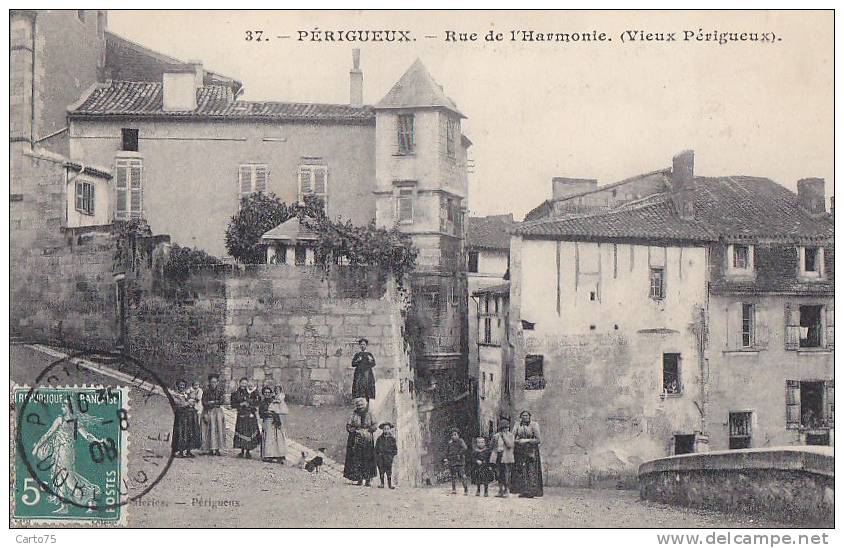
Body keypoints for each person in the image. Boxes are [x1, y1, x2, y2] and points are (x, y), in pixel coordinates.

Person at [343, 397, 378, 486]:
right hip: (356, 439)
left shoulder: (370, 414)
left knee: (368, 459)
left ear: (365, 405)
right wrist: (355, 431)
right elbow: (348, 426)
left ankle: (368, 479)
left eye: (362, 405)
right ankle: (359, 478)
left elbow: (375, 425)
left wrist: (368, 430)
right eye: (358, 406)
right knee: (357, 459)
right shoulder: (354, 414)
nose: (360, 407)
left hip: (367, 439)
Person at [512, 411, 544, 498]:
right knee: (522, 470)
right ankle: (523, 491)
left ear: (529, 417)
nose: (525, 417)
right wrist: (518, 441)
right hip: (520, 450)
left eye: (526, 416)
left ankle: (533, 491)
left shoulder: (534, 425)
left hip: (531, 450)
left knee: (531, 470)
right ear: (520, 417)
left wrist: (526, 440)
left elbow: (538, 440)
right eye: (523, 416)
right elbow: (512, 437)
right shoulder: (517, 425)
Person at [231, 377, 261, 458]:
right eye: (242, 383)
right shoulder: (236, 393)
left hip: (250, 414)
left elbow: (257, 401)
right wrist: (240, 404)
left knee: (249, 432)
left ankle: (248, 451)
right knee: (241, 431)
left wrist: (250, 405)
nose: (244, 385)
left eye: (245, 383)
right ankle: (242, 450)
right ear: (239, 383)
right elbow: (232, 404)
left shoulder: (252, 392)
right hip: (241, 414)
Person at [172, 379, 201, 458]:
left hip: (188, 417)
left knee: (189, 433)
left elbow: (193, 401)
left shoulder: (186, 394)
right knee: (181, 433)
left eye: (183, 385)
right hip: (180, 418)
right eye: (180, 385)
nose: (182, 386)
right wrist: (188, 403)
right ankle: (180, 451)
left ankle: (188, 451)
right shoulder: (175, 395)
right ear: (177, 386)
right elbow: (178, 405)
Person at [259, 386, 288, 463]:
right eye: (265, 393)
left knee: (277, 438)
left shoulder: (274, 401)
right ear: (263, 394)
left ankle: (278, 454)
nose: (267, 394)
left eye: (268, 393)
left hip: (275, 421)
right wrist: (267, 413)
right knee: (268, 438)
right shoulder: (262, 403)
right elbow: (261, 414)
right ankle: (268, 455)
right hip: (267, 421)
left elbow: (279, 409)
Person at [201, 374, 226, 456]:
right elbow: (204, 402)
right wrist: (212, 403)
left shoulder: (220, 391)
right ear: (209, 382)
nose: (213, 384)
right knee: (210, 430)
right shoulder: (206, 391)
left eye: (215, 382)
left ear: (217, 382)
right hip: (209, 411)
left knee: (218, 430)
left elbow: (221, 401)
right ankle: (210, 448)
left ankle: (217, 448)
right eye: (212, 382)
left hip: (218, 412)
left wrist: (212, 402)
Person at [490, 417, 515, 498]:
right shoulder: (496, 436)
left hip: (507, 457)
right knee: (499, 474)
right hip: (498, 456)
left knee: (506, 474)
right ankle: (500, 490)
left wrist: (504, 436)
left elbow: (510, 445)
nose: (505, 429)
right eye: (503, 428)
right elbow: (492, 445)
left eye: (506, 427)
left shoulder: (511, 435)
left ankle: (507, 490)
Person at [351, 338, 376, 402]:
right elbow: (353, 364)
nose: (362, 346)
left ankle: (368, 399)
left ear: (366, 345)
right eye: (361, 344)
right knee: (358, 385)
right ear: (359, 346)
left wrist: (370, 360)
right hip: (359, 373)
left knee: (368, 385)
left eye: (364, 344)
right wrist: (357, 360)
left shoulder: (369, 354)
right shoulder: (357, 354)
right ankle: (358, 399)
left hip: (367, 373)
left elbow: (373, 364)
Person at [445, 428, 469, 495]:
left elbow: (465, 448)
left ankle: (466, 489)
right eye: (452, 435)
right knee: (453, 476)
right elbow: (447, 451)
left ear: (458, 435)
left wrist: (459, 453)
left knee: (462, 475)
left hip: (459, 462)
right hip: (452, 461)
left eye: (455, 435)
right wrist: (447, 458)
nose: (453, 436)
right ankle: (454, 489)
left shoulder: (460, 441)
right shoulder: (450, 443)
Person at [375, 422, 398, 489]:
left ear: (390, 429)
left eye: (388, 429)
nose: (386, 430)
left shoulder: (392, 439)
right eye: (385, 429)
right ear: (383, 430)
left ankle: (390, 484)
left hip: (388, 457)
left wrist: (392, 455)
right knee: (381, 470)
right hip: (381, 457)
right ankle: (382, 483)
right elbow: (376, 449)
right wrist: (378, 456)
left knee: (389, 471)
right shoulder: (379, 439)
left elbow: (395, 449)